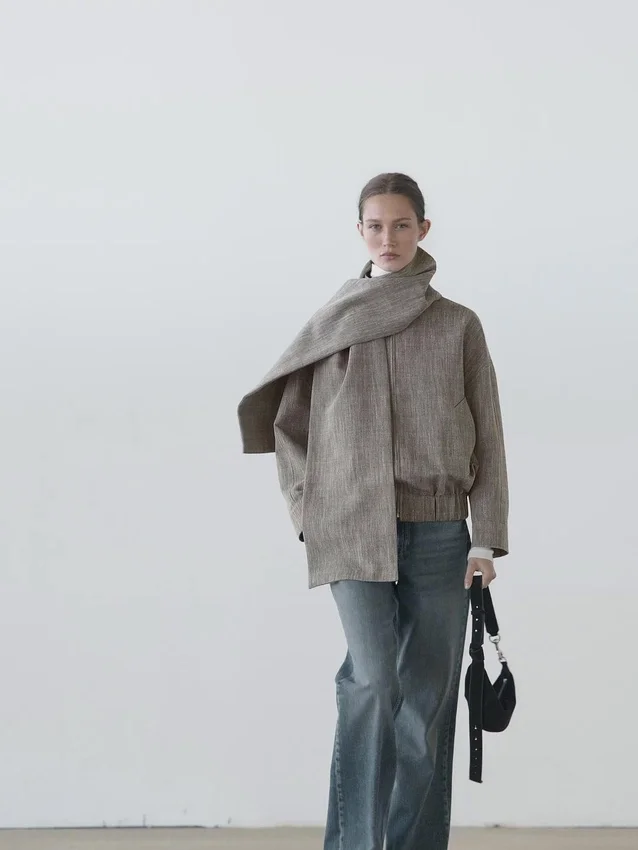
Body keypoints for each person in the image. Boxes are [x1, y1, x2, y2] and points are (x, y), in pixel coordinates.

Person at [237, 172, 509, 850]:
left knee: (427, 702)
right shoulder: (334, 323)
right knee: (372, 682)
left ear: (423, 229)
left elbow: (490, 435)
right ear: (359, 231)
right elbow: (289, 427)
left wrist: (486, 538)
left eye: (402, 225)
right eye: (376, 226)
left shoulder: (457, 324)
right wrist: (307, 512)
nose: (389, 238)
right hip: (350, 528)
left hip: (442, 532)